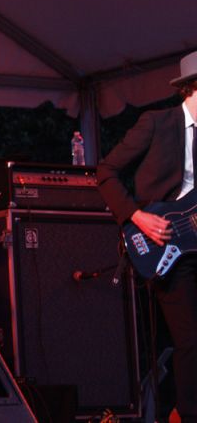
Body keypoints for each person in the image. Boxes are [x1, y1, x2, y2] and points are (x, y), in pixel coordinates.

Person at [97, 51, 197, 423]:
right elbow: (106, 171)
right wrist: (136, 216)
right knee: (190, 340)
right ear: (192, 89)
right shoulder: (157, 123)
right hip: (164, 245)